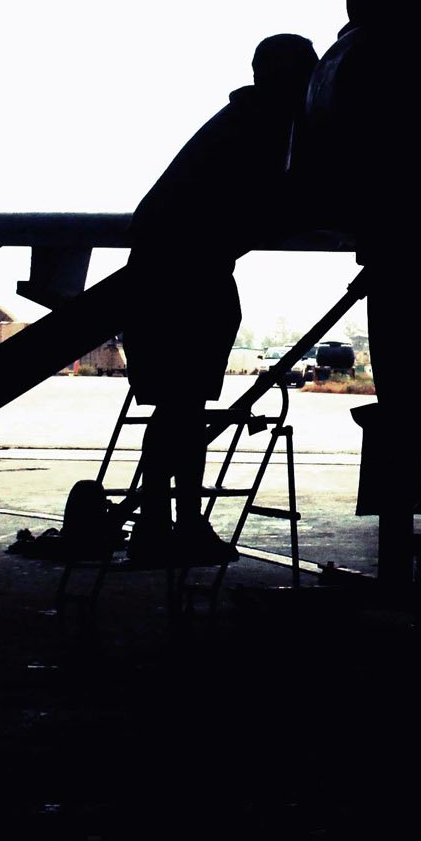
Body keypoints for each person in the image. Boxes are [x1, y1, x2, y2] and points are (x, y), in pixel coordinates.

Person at [117, 32, 319, 563]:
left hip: (166, 273)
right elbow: (289, 198)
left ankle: (163, 524)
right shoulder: (267, 127)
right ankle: (176, 526)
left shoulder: (241, 122)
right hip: (188, 277)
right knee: (183, 413)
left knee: (176, 412)